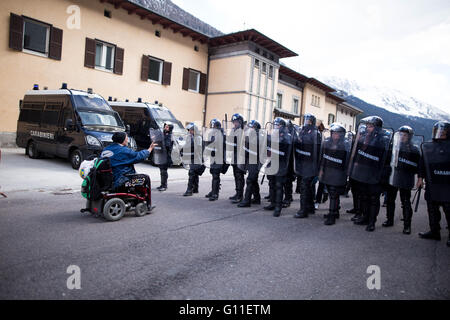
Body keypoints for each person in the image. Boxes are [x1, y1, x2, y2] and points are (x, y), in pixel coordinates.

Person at [349, 116, 392, 232]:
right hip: (363, 172)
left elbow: (386, 159)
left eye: (371, 126)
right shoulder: (363, 138)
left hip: (374, 173)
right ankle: (365, 217)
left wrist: (382, 175)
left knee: (373, 198)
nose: (368, 128)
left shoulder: (384, 140)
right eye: (367, 126)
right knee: (363, 196)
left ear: (377, 127)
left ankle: (372, 221)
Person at [101, 132, 156, 209]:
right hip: (121, 179)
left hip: (107, 178)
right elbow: (138, 156)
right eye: (126, 138)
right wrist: (150, 149)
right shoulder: (123, 151)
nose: (127, 140)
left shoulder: (106, 149)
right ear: (123, 140)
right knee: (145, 178)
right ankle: (147, 204)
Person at [383, 126, 421, 234]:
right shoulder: (393, 147)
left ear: (409, 136)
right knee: (390, 199)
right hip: (393, 176)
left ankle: (407, 225)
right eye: (401, 135)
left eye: (405, 135)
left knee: (405, 202)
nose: (403, 137)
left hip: (406, 177)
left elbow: (418, 166)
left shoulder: (414, 149)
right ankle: (389, 220)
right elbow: (387, 161)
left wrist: (419, 178)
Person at [418, 121, 450, 247]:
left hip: (447, 183)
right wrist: (420, 177)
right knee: (432, 208)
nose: (440, 132)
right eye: (438, 130)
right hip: (433, 182)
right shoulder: (429, 146)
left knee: (448, 209)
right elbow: (422, 163)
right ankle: (434, 231)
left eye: (443, 131)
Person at [318, 123, 352, 225]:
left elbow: (347, 160)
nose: (334, 135)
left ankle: (332, 215)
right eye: (333, 133)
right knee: (331, 192)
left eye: (337, 133)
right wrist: (321, 169)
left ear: (341, 135)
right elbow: (323, 156)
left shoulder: (345, 144)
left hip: (338, 172)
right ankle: (335, 211)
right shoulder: (327, 143)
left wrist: (345, 173)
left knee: (333, 193)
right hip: (328, 170)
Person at [293, 114, 321, 219]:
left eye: (309, 121)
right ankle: (310, 207)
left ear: (312, 122)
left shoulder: (315, 133)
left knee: (305, 186)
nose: (307, 122)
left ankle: (303, 210)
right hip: (302, 162)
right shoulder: (302, 131)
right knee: (307, 187)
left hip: (310, 163)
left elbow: (316, 150)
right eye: (306, 120)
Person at [263, 117, 293, 217]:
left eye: (278, 125)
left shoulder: (287, 136)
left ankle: (278, 207)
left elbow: (283, 149)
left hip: (282, 164)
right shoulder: (273, 135)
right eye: (275, 125)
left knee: (279, 186)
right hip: (273, 162)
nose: (276, 126)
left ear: (283, 126)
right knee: (271, 183)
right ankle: (272, 203)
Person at [237, 120, 262, 208]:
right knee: (253, 180)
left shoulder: (259, 138)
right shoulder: (249, 137)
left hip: (256, 162)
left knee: (250, 180)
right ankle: (257, 198)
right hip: (250, 161)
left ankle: (247, 201)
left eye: (252, 128)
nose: (250, 129)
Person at [204, 119, 229, 201]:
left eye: (213, 126)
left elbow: (222, 146)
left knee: (215, 175)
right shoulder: (213, 134)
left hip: (219, 157)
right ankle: (213, 190)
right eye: (211, 125)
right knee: (213, 174)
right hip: (213, 157)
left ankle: (215, 194)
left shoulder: (221, 134)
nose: (212, 127)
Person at [227, 113, 247, 204]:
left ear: (240, 122)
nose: (234, 124)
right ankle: (237, 193)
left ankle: (240, 195)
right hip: (234, 157)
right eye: (233, 122)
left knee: (239, 176)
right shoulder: (234, 130)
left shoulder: (242, 131)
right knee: (236, 175)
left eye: (236, 122)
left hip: (240, 157)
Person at [182, 123, 206, 196]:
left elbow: (198, 149)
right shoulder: (190, 137)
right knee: (194, 173)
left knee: (191, 173)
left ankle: (189, 190)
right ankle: (195, 188)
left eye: (191, 130)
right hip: (191, 157)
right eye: (189, 130)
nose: (190, 132)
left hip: (196, 158)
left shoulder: (198, 138)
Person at [156, 123, 174, 192]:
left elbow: (167, 145)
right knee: (161, 171)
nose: (165, 128)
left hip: (166, 156)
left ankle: (164, 185)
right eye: (165, 127)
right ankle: (162, 184)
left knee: (164, 171)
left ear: (169, 129)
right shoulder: (164, 134)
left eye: (167, 127)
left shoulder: (169, 136)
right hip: (161, 155)